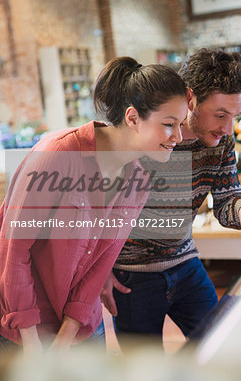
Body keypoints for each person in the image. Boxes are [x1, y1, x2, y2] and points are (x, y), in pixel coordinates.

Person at [0, 57, 188, 353]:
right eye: (169, 125)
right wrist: (34, 348)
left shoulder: (137, 181)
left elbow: (100, 264)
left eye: (181, 125)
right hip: (22, 323)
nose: (178, 137)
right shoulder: (57, 153)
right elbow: (14, 249)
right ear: (133, 118)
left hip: (78, 326)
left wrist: (64, 340)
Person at [100, 49, 241, 346]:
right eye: (220, 115)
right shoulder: (142, 137)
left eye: (235, 116)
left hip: (185, 263)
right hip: (132, 278)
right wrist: (102, 270)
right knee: (146, 370)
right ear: (190, 99)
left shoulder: (222, 141)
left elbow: (227, 199)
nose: (227, 129)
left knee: (223, 346)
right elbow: (99, 210)